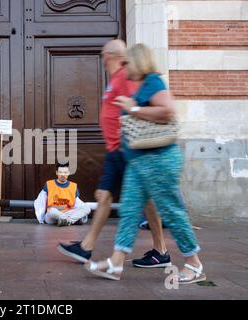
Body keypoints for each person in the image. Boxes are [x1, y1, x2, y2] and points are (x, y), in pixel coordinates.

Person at [84, 43, 205, 284]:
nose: (123, 67)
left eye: (127, 62)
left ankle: (194, 263)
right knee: (129, 212)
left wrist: (134, 109)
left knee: (171, 211)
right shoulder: (139, 85)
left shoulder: (153, 82)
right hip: (138, 161)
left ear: (137, 62)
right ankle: (116, 263)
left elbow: (168, 112)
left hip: (159, 160)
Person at [57, 39, 171, 268]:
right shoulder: (116, 78)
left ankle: (159, 251)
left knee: (143, 201)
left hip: (126, 149)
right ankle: (86, 248)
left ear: (109, 56)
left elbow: (139, 103)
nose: (102, 58)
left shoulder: (125, 76)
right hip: (115, 150)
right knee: (105, 196)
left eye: (103, 54)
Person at [34, 162, 91, 226]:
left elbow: (78, 204)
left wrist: (81, 211)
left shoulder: (73, 186)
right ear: (57, 173)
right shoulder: (48, 185)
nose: (62, 175)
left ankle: (66, 221)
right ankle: (71, 220)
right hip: (52, 215)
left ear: (69, 173)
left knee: (87, 208)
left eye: (65, 172)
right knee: (52, 211)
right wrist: (41, 218)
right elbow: (40, 201)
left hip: (67, 212)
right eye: (60, 172)